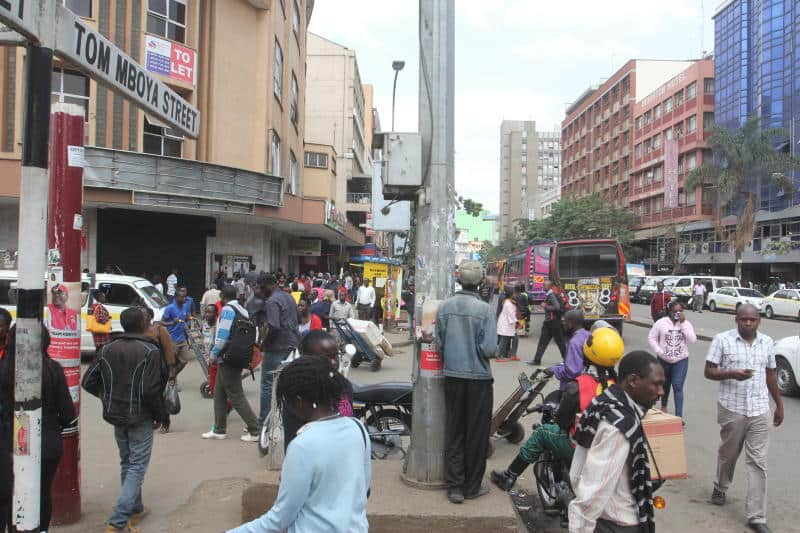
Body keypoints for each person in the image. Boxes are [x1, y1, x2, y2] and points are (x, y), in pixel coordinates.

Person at [228, 356, 370, 533]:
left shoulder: (303, 445)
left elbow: (279, 519)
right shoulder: (358, 428)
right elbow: (364, 491)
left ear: (299, 401)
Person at [82, 307, 168, 533]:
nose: (150, 325)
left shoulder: (107, 348)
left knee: (127, 462)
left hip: (116, 414)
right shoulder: (150, 350)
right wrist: (162, 416)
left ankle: (135, 508)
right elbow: (151, 390)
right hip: (140, 416)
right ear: (142, 325)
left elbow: (89, 381)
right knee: (137, 465)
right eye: (147, 322)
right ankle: (118, 520)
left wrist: (107, 397)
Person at [705, 304, 783, 533]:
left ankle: (757, 516)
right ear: (736, 320)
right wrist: (731, 374)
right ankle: (720, 486)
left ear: (759, 320)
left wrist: (778, 404)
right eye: (744, 320)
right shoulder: (722, 340)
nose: (748, 323)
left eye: (752, 320)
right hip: (733, 408)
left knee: (758, 462)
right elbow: (708, 371)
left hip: (759, 409)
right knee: (728, 454)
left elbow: (771, 374)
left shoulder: (768, 342)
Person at [569, 351, 666, 533]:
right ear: (633, 380)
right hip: (616, 523)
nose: (661, 392)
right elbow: (594, 491)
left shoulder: (605, 402)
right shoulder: (619, 427)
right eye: (656, 384)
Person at [0, 327, 75, 533]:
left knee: (12, 492)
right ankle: (41, 529)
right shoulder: (53, 370)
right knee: (42, 492)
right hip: (47, 444)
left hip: (10, 443)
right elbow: (68, 413)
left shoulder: (4, 369)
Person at [435, 260, 497, 504]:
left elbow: (439, 344)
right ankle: (472, 487)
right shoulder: (485, 310)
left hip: (452, 377)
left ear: (459, 279)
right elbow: (489, 348)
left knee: (455, 432)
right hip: (479, 380)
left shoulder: (445, 307)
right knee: (476, 434)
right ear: (480, 281)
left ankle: (455, 489)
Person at [202, 286, 260, 442]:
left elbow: (221, 336)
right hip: (236, 356)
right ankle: (219, 429)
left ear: (221, 296)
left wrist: (213, 354)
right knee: (219, 394)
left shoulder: (227, 310)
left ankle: (255, 430)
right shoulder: (243, 310)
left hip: (227, 358)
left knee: (236, 396)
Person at [259, 275, 299, 427]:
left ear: (268, 286)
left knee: (267, 384)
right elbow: (297, 319)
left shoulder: (271, 301)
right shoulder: (289, 297)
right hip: (292, 346)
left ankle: (264, 423)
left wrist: (264, 343)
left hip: (276, 347)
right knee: (288, 384)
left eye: (261, 288)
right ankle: (287, 421)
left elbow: (274, 326)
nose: (261, 292)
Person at [648, 300, 697, 418]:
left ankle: (679, 416)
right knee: (664, 384)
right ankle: (664, 406)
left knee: (677, 385)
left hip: (681, 360)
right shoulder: (661, 323)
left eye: (680, 312)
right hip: (663, 360)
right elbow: (652, 337)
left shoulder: (686, 324)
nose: (678, 314)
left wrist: (683, 323)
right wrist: (659, 351)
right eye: (675, 312)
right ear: (669, 312)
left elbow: (693, 340)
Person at [546, 310, 590, 389]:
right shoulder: (588, 334)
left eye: (565, 321)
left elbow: (572, 372)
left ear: (570, 323)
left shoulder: (574, 342)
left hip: (574, 388)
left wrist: (554, 370)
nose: (563, 324)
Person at [529, 281, 567, 366]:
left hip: (553, 323)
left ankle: (567, 361)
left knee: (559, 342)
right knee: (544, 342)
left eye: (544, 285)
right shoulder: (549, 295)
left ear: (549, 286)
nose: (543, 286)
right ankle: (537, 360)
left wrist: (545, 306)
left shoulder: (551, 295)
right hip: (550, 322)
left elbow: (557, 307)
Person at [161, 287, 194, 376]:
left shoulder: (184, 306)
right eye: (182, 297)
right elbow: (162, 322)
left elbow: (185, 316)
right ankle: (172, 380)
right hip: (172, 340)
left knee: (184, 361)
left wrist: (191, 318)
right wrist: (172, 322)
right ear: (176, 298)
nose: (184, 299)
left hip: (182, 338)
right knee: (172, 363)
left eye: (185, 297)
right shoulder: (170, 308)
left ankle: (172, 377)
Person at [496, 288, 518, 362]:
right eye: (514, 293)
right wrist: (517, 322)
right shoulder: (508, 304)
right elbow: (511, 315)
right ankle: (499, 356)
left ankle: (512, 355)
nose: (515, 295)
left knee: (514, 338)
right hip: (506, 324)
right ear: (511, 295)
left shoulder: (508, 301)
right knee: (503, 340)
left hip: (507, 324)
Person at [90, 289, 112, 355]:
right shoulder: (99, 307)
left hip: (96, 333)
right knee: (101, 351)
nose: (104, 299)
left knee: (98, 350)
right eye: (103, 297)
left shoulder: (94, 306)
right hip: (101, 335)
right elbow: (99, 318)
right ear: (99, 298)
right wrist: (108, 318)